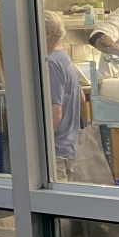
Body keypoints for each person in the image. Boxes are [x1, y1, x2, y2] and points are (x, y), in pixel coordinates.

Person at [44, 11, 82, 179]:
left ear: (47, 33)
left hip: (55, 150)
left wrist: (40, 146)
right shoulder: (64, 59)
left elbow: (55, 115)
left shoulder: (50, 63)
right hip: (68, 146)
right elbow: (81, 98)